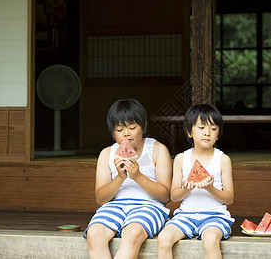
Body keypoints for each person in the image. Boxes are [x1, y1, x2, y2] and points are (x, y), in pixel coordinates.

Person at [84, 98, 173, 259]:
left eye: (132, 127)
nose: (127, 133)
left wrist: (138, 176)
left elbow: (165, 196)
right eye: (119, 129)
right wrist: (119, 177)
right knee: (94, 233)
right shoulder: (107, 154)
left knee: (132, 233)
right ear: (112, 132)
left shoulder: (157, 150)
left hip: (150, 207)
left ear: (144, 127)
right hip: (114, 206)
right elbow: (101, 198)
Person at [157, 104, 234, 259]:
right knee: (163, 238)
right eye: (201, 127)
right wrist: (186, 188)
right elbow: (174, 197)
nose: (207, 133)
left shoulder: (223, 160)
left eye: (213, 129)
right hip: (185, 215)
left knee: (211, 240)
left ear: (218, 134)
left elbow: (229, 198)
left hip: (215, 216)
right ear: (189, 132)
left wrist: (210, 188)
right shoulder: (180, 159)